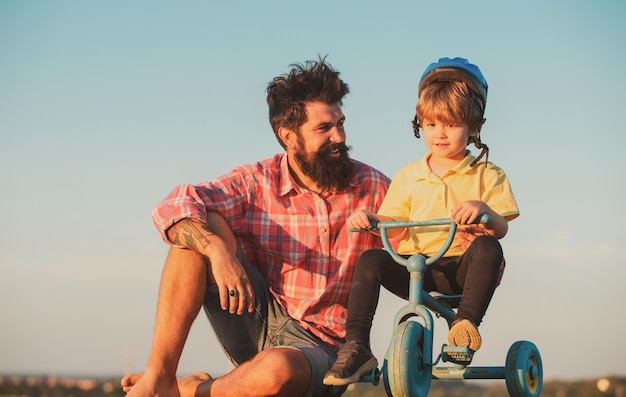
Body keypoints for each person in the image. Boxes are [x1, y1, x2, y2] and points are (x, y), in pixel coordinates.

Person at [120, 57, 390, 397]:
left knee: (276, 371)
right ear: (289, 137)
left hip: (322, 350)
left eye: (340, 124)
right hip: (258, 316)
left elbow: (425, 237)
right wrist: (217, 250)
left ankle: (191, 390)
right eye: (324, 129)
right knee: (198, 232)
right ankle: (160, 378)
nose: (339, 137)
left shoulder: (374, 188)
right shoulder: (257, 182)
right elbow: (174, 205)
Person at [323, 57, 520, 386]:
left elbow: (502, 226)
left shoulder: (487, 174)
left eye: (451, 124)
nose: (440, 134)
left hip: (462, 269)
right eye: (431, 124)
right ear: (420, 124)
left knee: (489, 245)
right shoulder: (409, 176)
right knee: (371, 258)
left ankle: (464, 326)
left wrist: (483, 210)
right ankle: (356, 346)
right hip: (418, 267)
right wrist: (373, 219)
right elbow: (395, 222)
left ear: (473, 127)